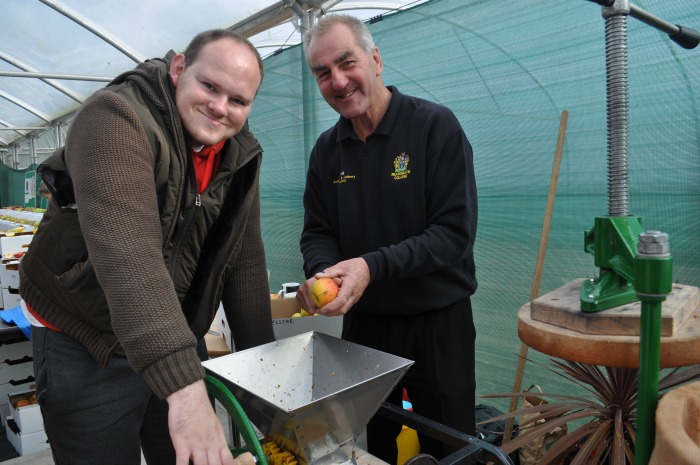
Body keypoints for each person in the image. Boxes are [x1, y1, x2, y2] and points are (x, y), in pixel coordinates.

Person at [19, 29, 275, 465]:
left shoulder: (239, 153)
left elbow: (243, 261)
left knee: (190, 451)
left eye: (238, 100)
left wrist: (267, 386)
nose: (220, 108)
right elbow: (129, 261)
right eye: (209, 86)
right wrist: (185, 390)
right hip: (87, 339)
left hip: (170, 331)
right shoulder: (115, 118)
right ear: (178, 69)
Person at [295, 15, 478, 463]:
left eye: (346, 63)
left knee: (449, 444)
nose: (337, 81)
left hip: (438, 322)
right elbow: (318, 230)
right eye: (322, 73)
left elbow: (452, 235)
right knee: (376, 443)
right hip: (368, 325)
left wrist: (370, 267)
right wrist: (323, 271)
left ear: (375, 60)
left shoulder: (434, 127)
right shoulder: (327, 149)